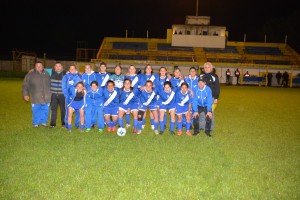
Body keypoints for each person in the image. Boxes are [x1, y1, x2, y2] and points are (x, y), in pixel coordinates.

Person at [22, 61, 51, 128]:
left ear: (43, 67)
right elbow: (25, 85)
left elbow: (58, 70)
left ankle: (44, 122)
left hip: (46, 97)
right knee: (36, 110)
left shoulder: (47, 73)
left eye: (40, 66)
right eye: (37, 66)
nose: (39, 67)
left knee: (45, 110)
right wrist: (25, 94)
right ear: (35, 67)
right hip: (35, 97)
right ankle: (36, 123)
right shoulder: (30, 74)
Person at [199, 62, 220, 131]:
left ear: (211, 68)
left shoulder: (215, 76)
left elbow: (217, 87)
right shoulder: (201, 76)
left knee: (210, 112)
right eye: (205, 67)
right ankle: (202, 126)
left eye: (208, 67)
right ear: (203, 68)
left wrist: (216, 98)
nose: (207, 68)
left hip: (211, 98)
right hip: (202, 97)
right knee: (202, 112)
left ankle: (210, 127)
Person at [47, 62, 66, 128]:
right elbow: (40, 69)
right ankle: (52, 124)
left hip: (62, 95)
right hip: (53, 94)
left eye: (59, 66)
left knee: (63, 110)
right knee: (53, 109)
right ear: (54, 67)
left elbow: (74, 72)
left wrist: (79, 72)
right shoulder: (50, 72)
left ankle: (64, 124)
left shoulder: (65, 73)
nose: (58, 67)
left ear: (62, 67)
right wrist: (32, 70)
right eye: (56, 66)